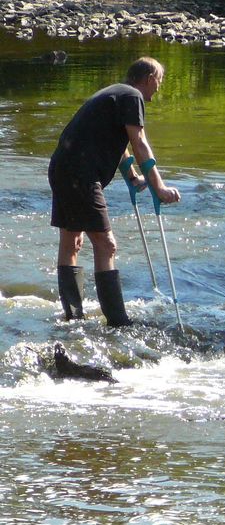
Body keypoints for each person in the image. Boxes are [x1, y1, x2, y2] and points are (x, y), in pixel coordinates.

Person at [49, 57, 180, 326]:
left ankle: (73, 319)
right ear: (150, 78)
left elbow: (116, 142)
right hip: (81, 174)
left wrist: (132, 176)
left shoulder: (115, 93)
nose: (158, 89)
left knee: (71, 242)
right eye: (159, 82)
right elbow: (139, 142)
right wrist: (159, 187)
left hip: (62, 168)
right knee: (107, 244)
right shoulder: (133, 96)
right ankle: (118, 321)